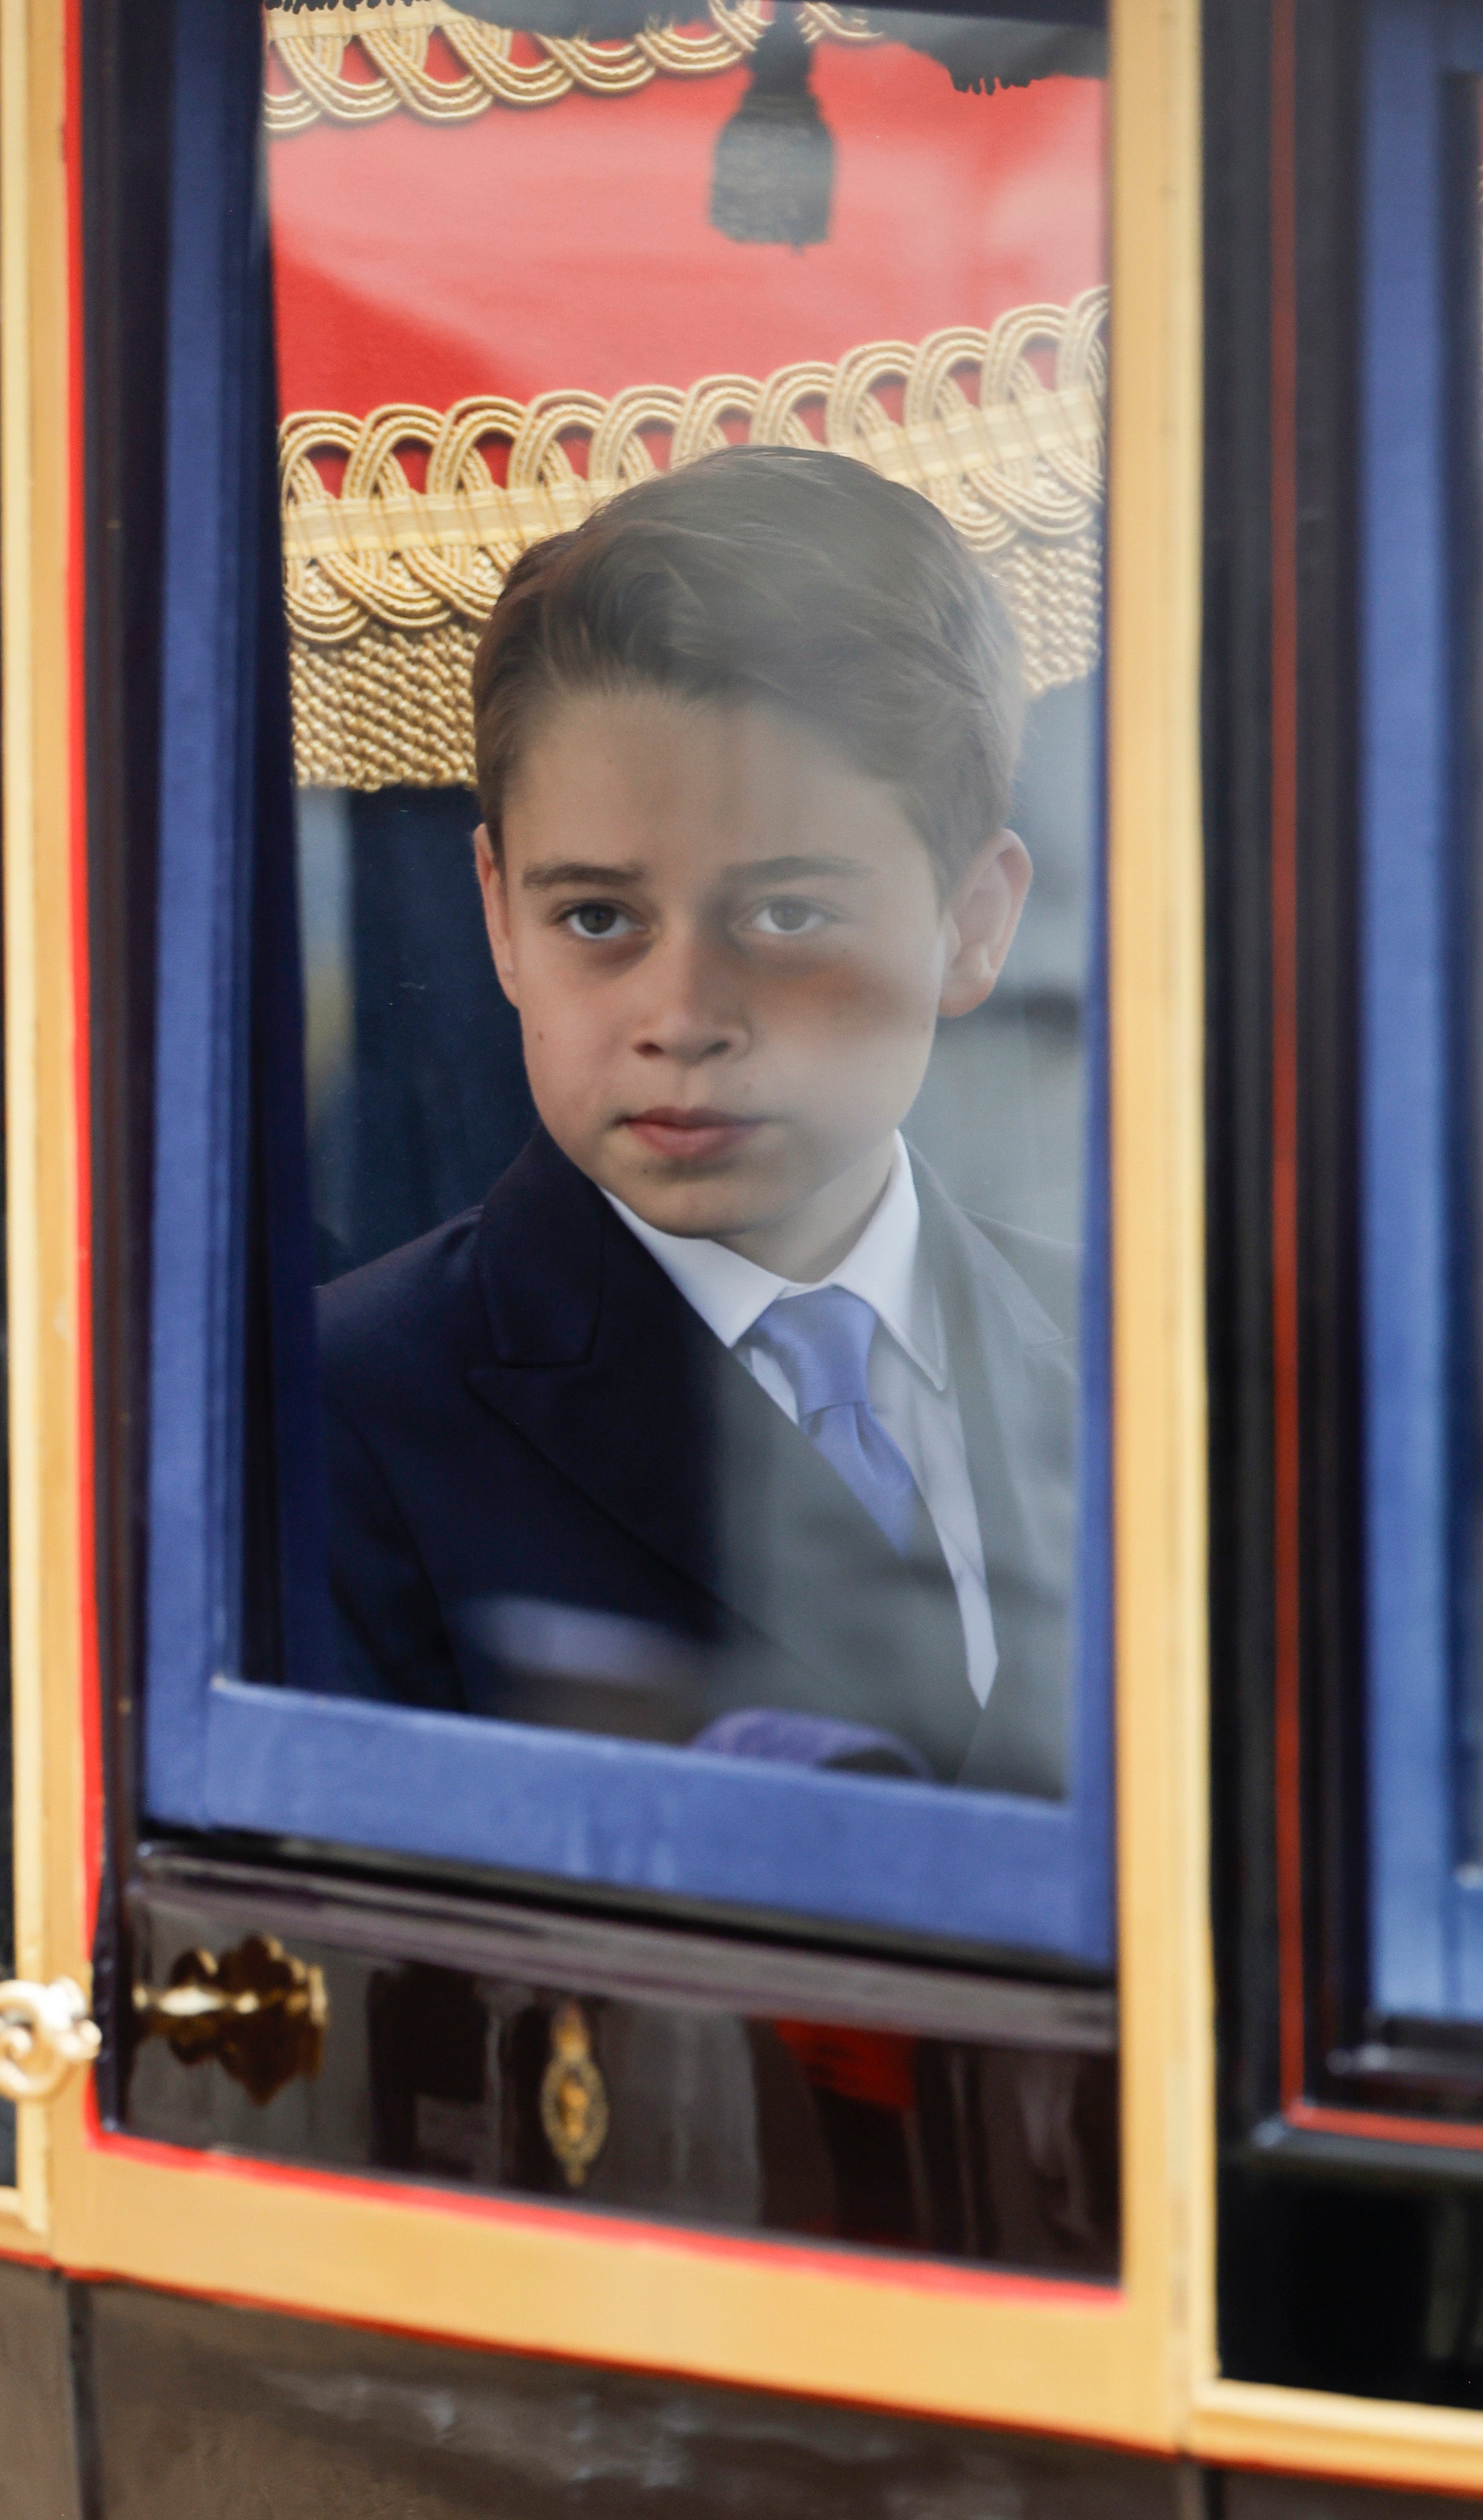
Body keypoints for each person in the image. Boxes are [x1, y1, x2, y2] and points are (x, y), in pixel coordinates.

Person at [318, 445, 1075, 1797]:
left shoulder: (1165, 1368)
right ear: (497, 916)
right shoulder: (324, 1423)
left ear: (974, 925)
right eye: (595, 918)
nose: (681, 1014)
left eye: (786, 914)